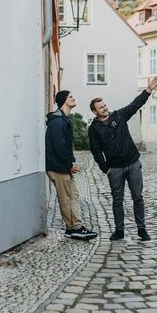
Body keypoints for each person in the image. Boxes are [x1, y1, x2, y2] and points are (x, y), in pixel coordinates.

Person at [88, 77, 157, 241]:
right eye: (101, 107)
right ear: (95, 112)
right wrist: (105, 168)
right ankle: (119, 230)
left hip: (133, 163)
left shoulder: (119, 116)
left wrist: (148, 90)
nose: (105, 108)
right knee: (117, 200)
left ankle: (141, 229)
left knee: (138, 197)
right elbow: (96, 150)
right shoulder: (94, 129)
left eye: (105, 105)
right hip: (114, 169)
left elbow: (135, 105)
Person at [46, 90, 98, 240]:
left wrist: (71, 163)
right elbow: (59, 147)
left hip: (63, 166)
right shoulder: (57, 122)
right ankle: (75, 228)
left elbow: (66, 146)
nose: (73, 98)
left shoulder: (64, 120)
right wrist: (69, 164)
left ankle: (72, 228)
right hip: (57, 167)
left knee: (73, 195)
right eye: (70, 97)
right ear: (63, 101)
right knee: (66, 198)